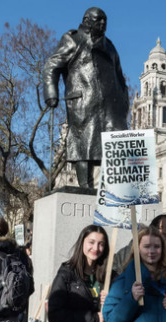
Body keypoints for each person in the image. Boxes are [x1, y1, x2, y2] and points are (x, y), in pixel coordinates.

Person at [43, 6, 129, 189]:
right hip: (83, 102)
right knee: (84, 144)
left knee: (115, 144)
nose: (103, 23)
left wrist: (123, 100)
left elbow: (120, 76)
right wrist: (51, 93)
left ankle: (113, 187)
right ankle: (85, 186)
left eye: (105, 19)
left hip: (111, 106)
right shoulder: (73, 39)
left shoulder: (110, 46)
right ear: (87, 20)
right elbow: (52, 66)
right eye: (99, 19)